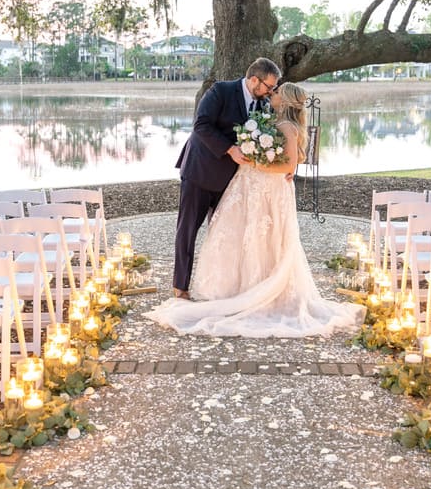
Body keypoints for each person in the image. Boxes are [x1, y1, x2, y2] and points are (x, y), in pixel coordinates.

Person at [147, 82, 364, 338]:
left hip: (266, 188)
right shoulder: (264, 113)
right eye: (271, 88)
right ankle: (235, 287)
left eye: (276, 92)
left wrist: (256, 164)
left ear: (284, 101)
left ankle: (259, 289)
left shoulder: (287, 126)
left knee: (263, 238)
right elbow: (208, 127)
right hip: (246, 185)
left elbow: (289, 166)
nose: (271, 93)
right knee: (242, 236)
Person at [171, 57, 282, 300]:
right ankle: (180, 287)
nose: (270, 92)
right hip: (199, 171)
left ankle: (219, 287)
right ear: (254, 79)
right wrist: (230, 149)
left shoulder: (263, 105)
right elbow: (201, 125)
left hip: (232, 181)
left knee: (224, 234)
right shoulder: (221, 90)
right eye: (268, 86)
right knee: (187, 230)